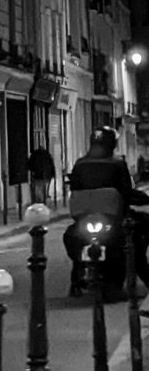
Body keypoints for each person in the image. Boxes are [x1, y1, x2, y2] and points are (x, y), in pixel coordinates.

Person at [68, 126, 149, 294]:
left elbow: (74, 187)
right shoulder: (117, 164)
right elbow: (126, 192)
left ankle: (76, 278)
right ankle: (144, 275)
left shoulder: (80, 164)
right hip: (112, 218)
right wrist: (142, 199)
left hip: (84, 217)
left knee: (73, 236)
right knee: (137, 239)